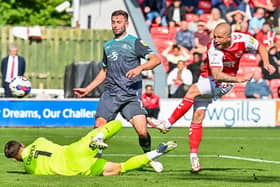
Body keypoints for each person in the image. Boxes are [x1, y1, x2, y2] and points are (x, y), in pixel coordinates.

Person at [147, 23, 275, 172]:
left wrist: (266, 63)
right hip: (210, 78)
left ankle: (167, 124)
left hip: (225, 82)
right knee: (198, 116)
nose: (216, 40)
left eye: (220, 37)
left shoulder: (243, 39)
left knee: (193, 90)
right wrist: (239, 79)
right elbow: (216, 74)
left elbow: (260, 46)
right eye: (215, 36)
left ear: (229, 36)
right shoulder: (213, 48)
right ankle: (194, 158)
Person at [73, 10, 163, 172]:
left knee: (142, 131)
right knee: (99, 126)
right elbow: (104, 71)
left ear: (126, 24)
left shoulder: (134, 42)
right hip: (111, 93)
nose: (115, 25)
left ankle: (149, 156)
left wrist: (140, 68)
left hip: (130, 95)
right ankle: (95, 160)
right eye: (113, 22)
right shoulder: (107, 46)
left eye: (119, 22)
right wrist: (88, 88)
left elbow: (156, 60)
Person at [4, 120, 177, 176]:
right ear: (22, 145)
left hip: (76, 167)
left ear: (14, 159)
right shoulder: (39, 140)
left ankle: (157, 152)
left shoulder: (30, 169)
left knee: (121, 167)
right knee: (115, 123)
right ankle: (99, 138)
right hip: (74, 150)